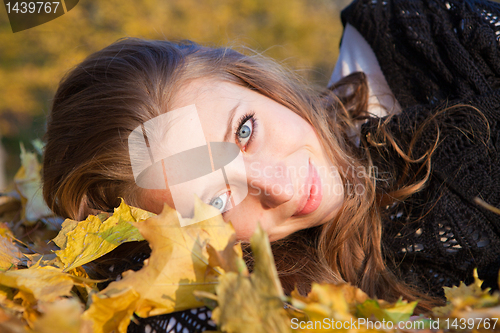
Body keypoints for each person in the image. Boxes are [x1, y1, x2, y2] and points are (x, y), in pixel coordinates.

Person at [42, 0, 500, 332]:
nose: (278, 187)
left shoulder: (424, 35)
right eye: (217, 203)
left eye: (244, 132)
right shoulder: (297, 298)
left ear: (257, 83)